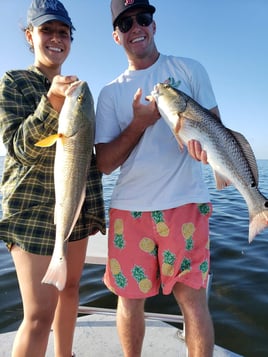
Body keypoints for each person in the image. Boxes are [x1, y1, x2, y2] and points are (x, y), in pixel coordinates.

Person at [95, 0, 222, 356]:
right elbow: (104, 164)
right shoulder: (110, 93)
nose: (135, 27)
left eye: (143, 18)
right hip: (128, 209)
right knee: (129, 301)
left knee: (194, 303)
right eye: (125, 22)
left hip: (185, 203)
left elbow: (216, 128)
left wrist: (207, 150)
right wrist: (139, 123)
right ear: (115, 35)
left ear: (154, 24)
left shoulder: (189, 69)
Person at [0, 1, 106, 356]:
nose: (56, 38)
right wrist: (52, 101)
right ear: (30, 36)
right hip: (31, 212)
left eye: (64, 32)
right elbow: (18, 148)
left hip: (73, 208)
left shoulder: (76, 92)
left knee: (72, 290)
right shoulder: (13, 83)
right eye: (47, 30)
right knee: (38, 315)